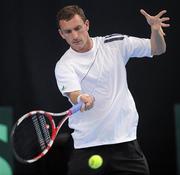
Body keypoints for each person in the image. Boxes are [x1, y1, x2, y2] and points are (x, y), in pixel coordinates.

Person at [55, 5, 170, 175]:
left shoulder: (114, 44)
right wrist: (81, 99)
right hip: (87, 147)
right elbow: (74, 94)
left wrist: (155, 30)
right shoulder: (64, 65)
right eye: (68, 31)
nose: (75, 36)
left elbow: (157, 49)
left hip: (125, 144)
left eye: (78, 28)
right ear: (61, 34)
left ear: (87, 25)